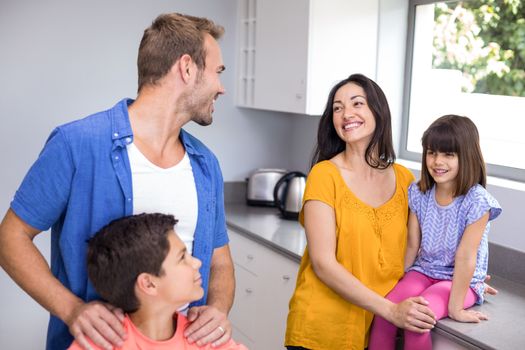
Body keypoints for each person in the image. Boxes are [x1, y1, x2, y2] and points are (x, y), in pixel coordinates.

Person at [0, 12, 234, 350]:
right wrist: (72, 310)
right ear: (186, 67)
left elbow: (220, 261)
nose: (221, 87)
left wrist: (218, 309)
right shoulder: (76, 145)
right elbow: (10, 237)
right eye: (218, 72)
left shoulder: (205, 164)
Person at [285, 73, 437, 350]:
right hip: (322, 333)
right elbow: (323, 264)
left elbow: (422, 247)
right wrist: (391, 310)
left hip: (379, 331)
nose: (346, 114)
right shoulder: (324, 175)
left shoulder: (404, 180)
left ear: (378, 112)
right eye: (338, 108)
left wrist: (466, 278)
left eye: (357, 104)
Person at [368, 115, 502, 350]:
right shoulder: (419, 192)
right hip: (423, 271)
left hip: (457, 280)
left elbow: (466, 257)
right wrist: (398, 280)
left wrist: (456, 307)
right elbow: (412, 244)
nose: (437, 161)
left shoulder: (477, 201)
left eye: (448, 154)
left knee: (418, 318)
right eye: (431, 152)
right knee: (385, 311)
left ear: (467, 156)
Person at [67, 213, 246, 350]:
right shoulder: (99, 342)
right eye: (182, 257)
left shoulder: (206, 337)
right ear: (149, 283)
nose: (197, 262)